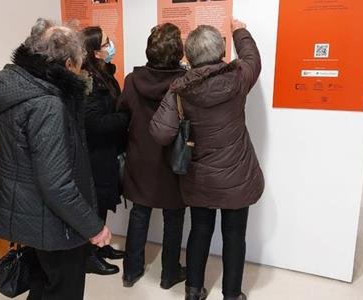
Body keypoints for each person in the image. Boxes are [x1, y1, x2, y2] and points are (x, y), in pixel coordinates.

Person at [0, 19, 111, 299]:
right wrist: (94, 227)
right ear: (67, 65)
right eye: (80, 63)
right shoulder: (47, 104)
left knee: (42, 282)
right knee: (64, 288)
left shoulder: (18, 85)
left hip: (29, 213)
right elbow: (56, 184)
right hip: (53, 223)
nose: (82, 69)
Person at [150, 19, 264, 300]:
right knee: (235, 235)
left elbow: (161, 133)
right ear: (222, 50)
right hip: (237, 176)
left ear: (189, 56)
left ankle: (193, 290)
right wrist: (239, 29)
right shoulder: (238, 77)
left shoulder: (179, 88)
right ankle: (232, 294)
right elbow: (252, 57)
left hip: (199, 177)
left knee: (200, 230)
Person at [119, 23, 187, 289]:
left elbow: (122, 113)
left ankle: (130, 271)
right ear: (178, 51)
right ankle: (169, 273)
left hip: (140, 157)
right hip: (172, 158)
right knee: (174, 216)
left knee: (139, 212)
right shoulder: (184, 82)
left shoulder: (132, 81)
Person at [80, 26, 129, 275]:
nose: (112, 46)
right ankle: (90, 255)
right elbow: (95, 124)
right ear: (96, 52)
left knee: (104, 201)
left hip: (107, 151)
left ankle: (101, 247)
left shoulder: (104, 74)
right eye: (107, 43)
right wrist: (125, 118)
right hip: (95, 155)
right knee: (95, 204)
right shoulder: (88, 81)